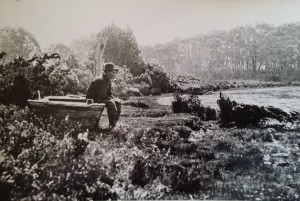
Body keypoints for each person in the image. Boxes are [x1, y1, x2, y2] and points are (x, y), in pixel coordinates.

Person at [86, 63, 121, 129]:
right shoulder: (100, 80)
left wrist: (113, 98)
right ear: (107, 72)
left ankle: (116, 124)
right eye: (112, 72)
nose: (113, 74)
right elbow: (101, 95)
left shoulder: (108, 81)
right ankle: (112, 125)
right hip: (93, 99)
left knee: (118, 102)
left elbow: (108, 93)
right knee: (111, 103)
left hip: (101, 98)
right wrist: (111, 100)